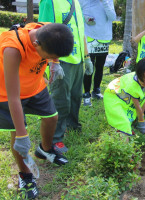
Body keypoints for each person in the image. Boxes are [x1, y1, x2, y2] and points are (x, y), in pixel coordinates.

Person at [0, 23, 72, 199]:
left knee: (52, 117)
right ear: (36, 45)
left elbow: (54, 48)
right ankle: (25, 175)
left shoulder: (48, 30)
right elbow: (13, 97)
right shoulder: (13, 49)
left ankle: (45, 149)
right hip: (6, 93)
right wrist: (22, 136)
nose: (52, 59)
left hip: (35, 85)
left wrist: (54, 63)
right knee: (17, 135)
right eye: (51, 57)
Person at [39, 0, 93, 154]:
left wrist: (87, 56)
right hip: (60, 60)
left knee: (76, 97)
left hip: (78, 59)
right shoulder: (49, 2)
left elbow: (80, 30)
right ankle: (55, 139)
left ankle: (72, 126)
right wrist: (52, 62)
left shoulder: (75, 2)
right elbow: (43, 32)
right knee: (61, 100)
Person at [103, 57, 145, 136]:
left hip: (125, 97)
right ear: (138, 73)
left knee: (128, 118)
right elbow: (137, 106)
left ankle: (123, 132)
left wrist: (140, 118)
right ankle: (124, 143)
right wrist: (141, 121)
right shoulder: (132, 85)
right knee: (123, 123)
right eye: (142, 79)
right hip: (114, 95)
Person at [79, 0, 117, 106]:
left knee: (100, 66)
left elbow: (112, 17)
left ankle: (96, 90)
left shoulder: (108, 1)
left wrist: (104, 2)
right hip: (89, 37)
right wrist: (85, 18)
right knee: (89, 66)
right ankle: (86, 94)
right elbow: (77, 12)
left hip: (104, 38)